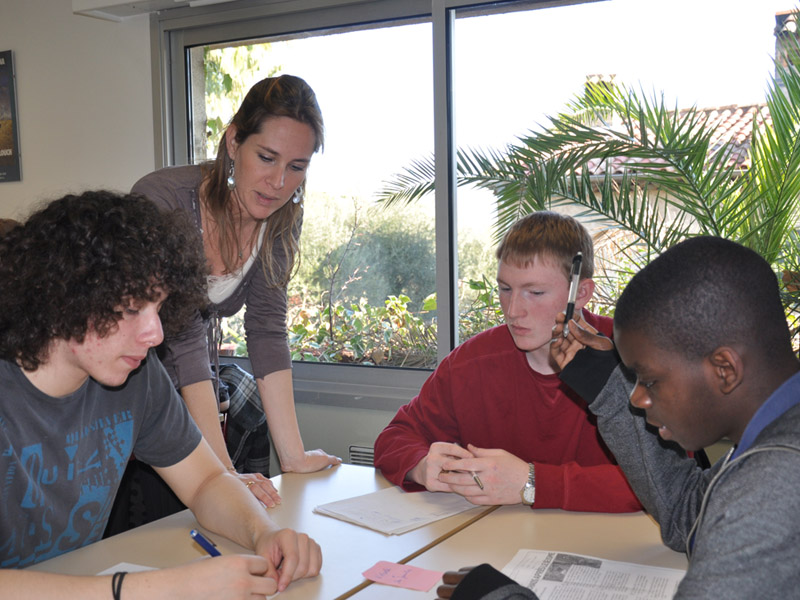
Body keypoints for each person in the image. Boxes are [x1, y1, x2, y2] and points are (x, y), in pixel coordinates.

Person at [0, 191, 322, 597]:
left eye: (159, 307)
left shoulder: (137, 376)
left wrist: (264, 533)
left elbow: (206, 482)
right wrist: (152, 588)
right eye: (132, 308)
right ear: (62, 296)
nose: (156, 334)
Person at [443, 235, 800, 599]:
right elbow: (686, 518)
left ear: (724, 370)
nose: (640, 398)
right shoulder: (775, 437)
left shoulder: (777, 479)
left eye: (650, 380)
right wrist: (606, 387)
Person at [117, 74, 341, 526]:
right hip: (132, 389)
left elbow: (266, 327)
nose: (279, 182)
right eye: (267, 157)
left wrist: (293, 456)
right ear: (234, 140)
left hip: (188, 388)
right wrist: (220, 474)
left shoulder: (282, 217)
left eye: (297, 166)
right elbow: (181, 336)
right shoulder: (163, 200)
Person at [373, 211, 641, 512]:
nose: (513, 311)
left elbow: (674, 484)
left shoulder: (636, 359)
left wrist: (533, 483)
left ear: (580, 293)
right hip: (498, 546)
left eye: (535, 292)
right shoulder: (472, 363)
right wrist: (421, 466)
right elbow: (394, 438)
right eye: (505, 289)